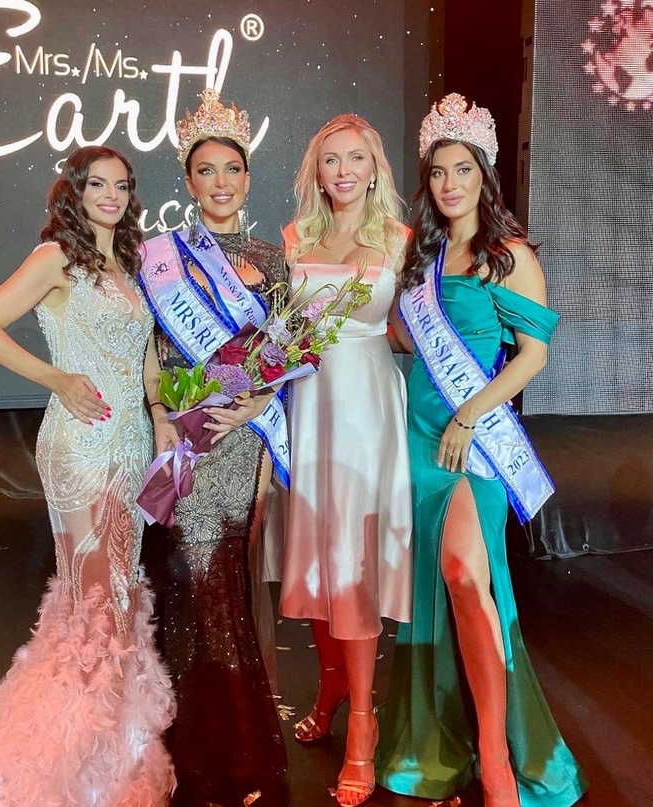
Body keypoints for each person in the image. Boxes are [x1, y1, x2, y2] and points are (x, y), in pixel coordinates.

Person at [0, 145, 175, 805]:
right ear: (73, 192)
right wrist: (57, 378)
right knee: (98, 597)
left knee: (117, 594)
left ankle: (108, 743)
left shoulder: (128, 264)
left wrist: (160, 414)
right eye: (97, 184)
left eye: (121, 185)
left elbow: (146, 356)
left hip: (131, 445)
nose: (110, 196)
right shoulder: (56, 258)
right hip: (81, 442)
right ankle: (78, 762)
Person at [375, 94, 587, 807]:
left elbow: (532, 355)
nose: (449, 184)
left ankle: (497, 758)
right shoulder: (423, 255)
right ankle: (445, 737)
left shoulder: (509, 256)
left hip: (476, 438)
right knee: (437, 587)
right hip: (419, 435)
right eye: (438, 172)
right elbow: (403, 338)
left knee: (468, 576)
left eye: (462, 169)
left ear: (484, 174)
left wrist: (469, 413)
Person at [138, 88, 287, 807]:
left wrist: (256, 404)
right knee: (188, 586)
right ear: (189, 181)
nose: (221, 182)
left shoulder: (271, 259)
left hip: (239, 439)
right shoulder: (158, 257)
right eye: (206, 171)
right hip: (184, 437)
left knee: (223, 583)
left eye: (232, 169)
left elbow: (282, 353)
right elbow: (150, 347)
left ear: (247, 178)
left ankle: (234, 751)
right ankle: (192, 748)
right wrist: (161, 413)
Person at [278, 113, 413, 807]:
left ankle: (363, 719)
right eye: (330, 160)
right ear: (317, 170)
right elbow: (284, 331)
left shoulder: (400, 240)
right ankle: (330, 686)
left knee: (352, 560)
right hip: (310, 406)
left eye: (355, 158)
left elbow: (406, 331)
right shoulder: (294, 238)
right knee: (314, 555)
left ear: (374, 167)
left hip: (367, 411)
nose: (343, 171)